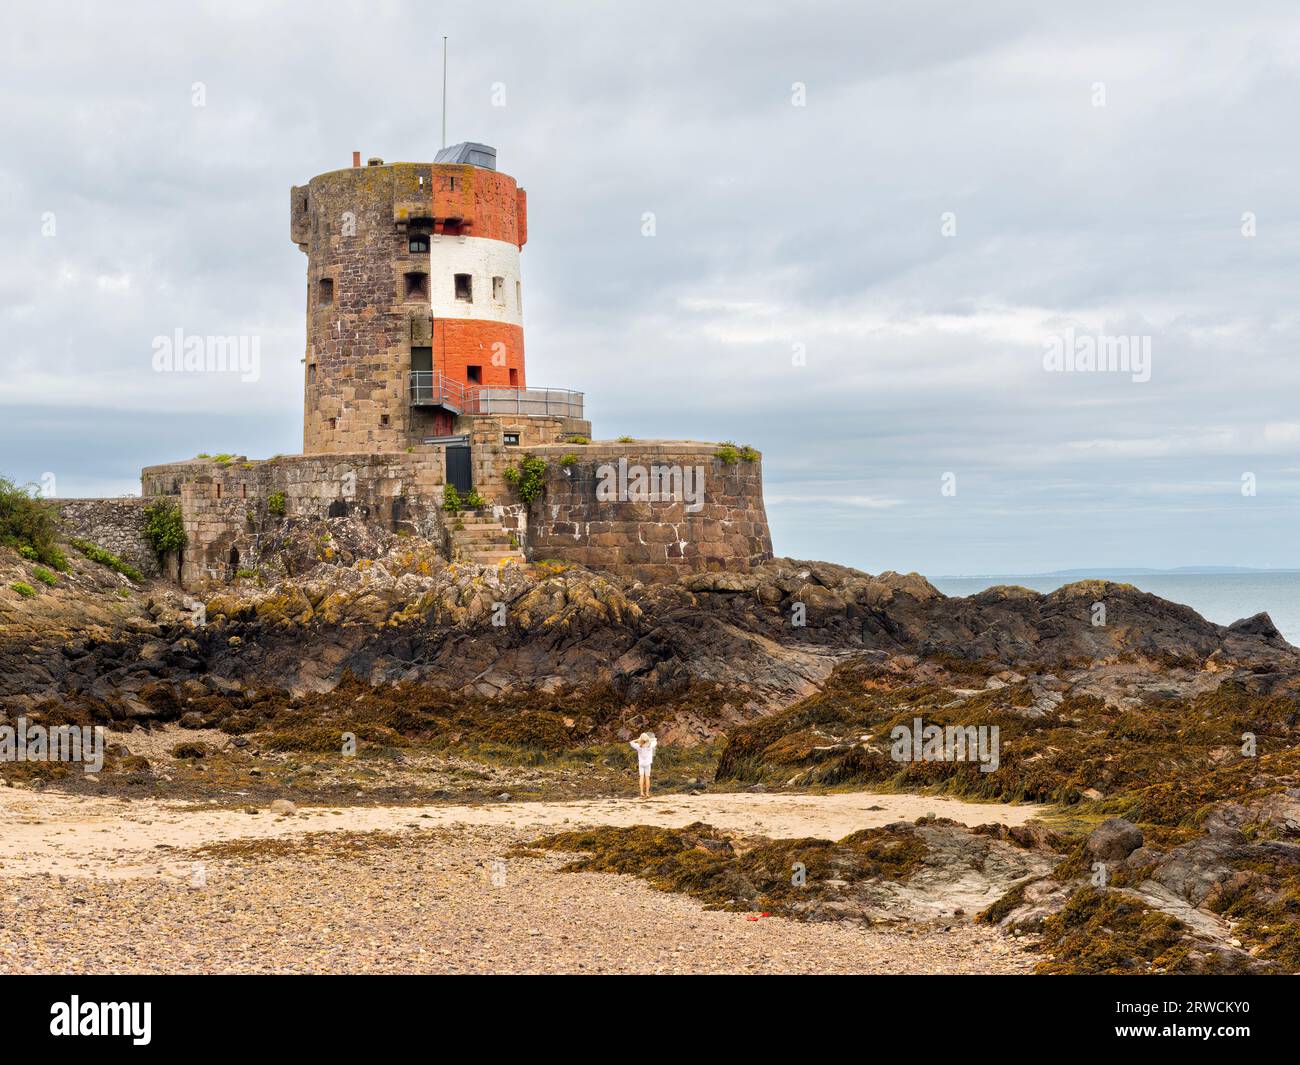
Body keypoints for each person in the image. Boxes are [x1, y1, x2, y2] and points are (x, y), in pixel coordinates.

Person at [629, 731, 658, 798]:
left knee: (641, 777)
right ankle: (647, 793)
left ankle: (641, 792)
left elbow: (631, 742)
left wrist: (638, 740)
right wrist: (649, 739)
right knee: (647, 777)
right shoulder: (650, 746)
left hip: (641, 764)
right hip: (648, 764)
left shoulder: (638, 747)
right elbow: (655, 740)